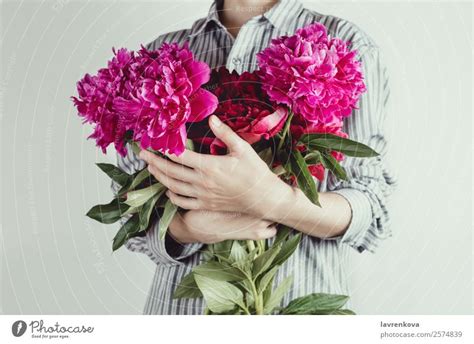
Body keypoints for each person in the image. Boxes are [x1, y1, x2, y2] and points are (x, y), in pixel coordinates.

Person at [114, 0, 396, 314]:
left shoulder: (345, 44)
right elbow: (130, 211)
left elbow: (372, 210)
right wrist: (186, 229)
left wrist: (272, 200)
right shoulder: (163, 53)